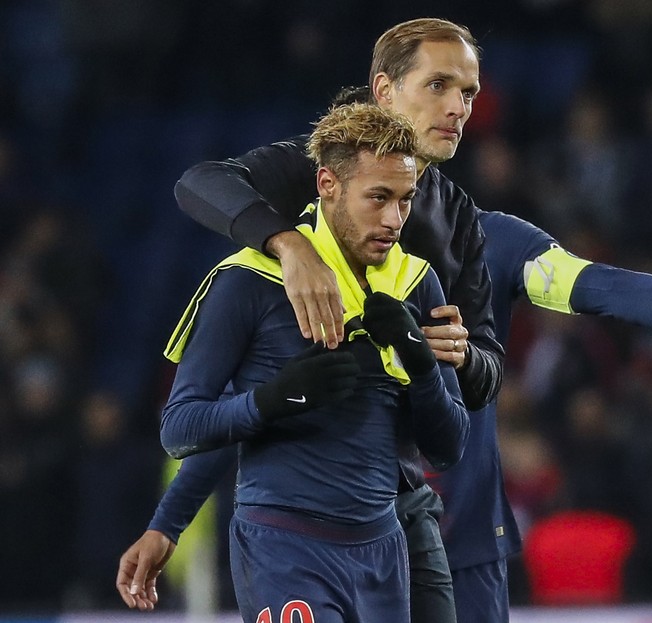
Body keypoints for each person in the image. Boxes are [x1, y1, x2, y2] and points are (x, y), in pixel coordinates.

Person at [117, 18, 652, 623]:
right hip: (328, 529)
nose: (458, 105)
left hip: (453, 541)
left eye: (469, 91)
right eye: (438, 85)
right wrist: (170, 520)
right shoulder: (294, 217)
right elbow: (204, 198)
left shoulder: (483, 237)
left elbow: (595, 290)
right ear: (382, 92)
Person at [155, 102, 470, 623]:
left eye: (405, 200)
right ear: (327, 184)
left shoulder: (415, 281)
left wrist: (420, 362)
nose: (394, 219)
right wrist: (273, 400)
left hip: (382, 547)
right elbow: (179, 427)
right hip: (285, 544)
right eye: (378, 198)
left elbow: (448, 446)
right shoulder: (247, 281)